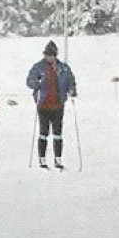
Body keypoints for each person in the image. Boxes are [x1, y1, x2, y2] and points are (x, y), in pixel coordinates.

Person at [25, 40, 77, 170]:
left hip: (58, 104)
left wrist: (72, 90)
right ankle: (42, 159)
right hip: (43, 104)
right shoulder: (38, 67)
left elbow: (71, 80)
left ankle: (58, 159)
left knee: (58, 132)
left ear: (55, 55)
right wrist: (36, 83)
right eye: (47, 54)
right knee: (43, 132)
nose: (49, 57)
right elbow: (29, 81)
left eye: (52, 55)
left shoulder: (63, 68)